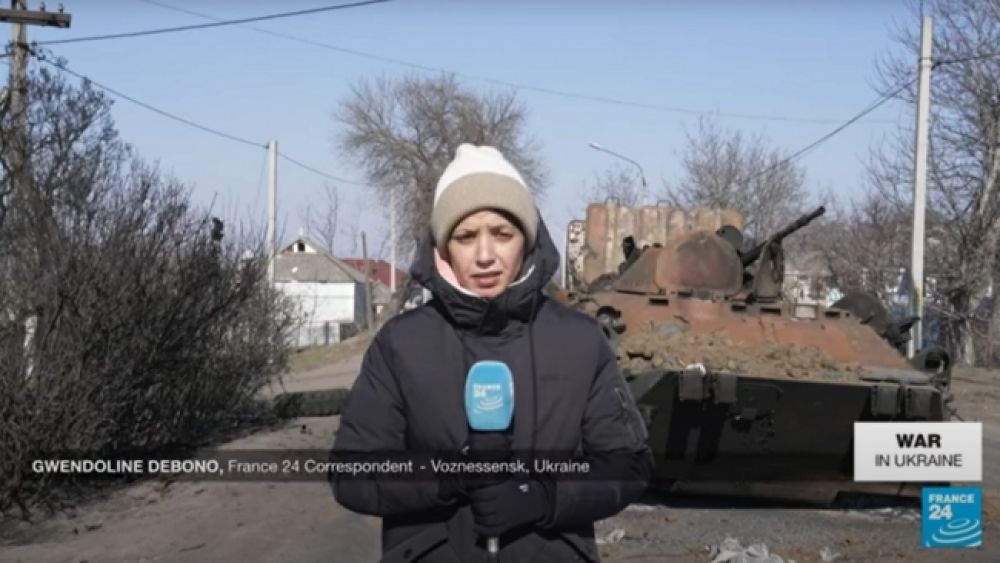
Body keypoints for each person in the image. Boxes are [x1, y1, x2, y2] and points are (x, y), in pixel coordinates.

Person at [331, 144, 653, 563]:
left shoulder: (580, 341)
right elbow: (351, 473)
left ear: (527, 240)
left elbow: (627, 465)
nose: (485, 256)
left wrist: (544, 497)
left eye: (502, 233)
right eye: (466, 237)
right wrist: (447, 475)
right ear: (443, 248)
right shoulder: (401, 344)